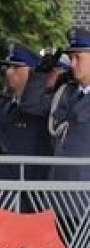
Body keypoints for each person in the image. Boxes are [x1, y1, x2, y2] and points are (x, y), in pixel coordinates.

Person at [0, 43, 52, 183]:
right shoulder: (2, 103)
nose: (8, 72)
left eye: (16, 67)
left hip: (26, 192)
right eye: (8, 67)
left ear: (31, 72)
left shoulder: (41, 107)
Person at [47, 29, 90, 218]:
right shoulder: (67, 93)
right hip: (59, 195)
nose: (72, 64)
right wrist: (42, 75)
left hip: (84, 200)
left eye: (78, 58)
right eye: (70, 57)